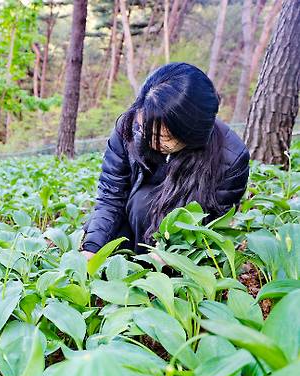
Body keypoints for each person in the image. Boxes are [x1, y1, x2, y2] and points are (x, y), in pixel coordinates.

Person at [81, 62, 250, 258]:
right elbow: (111, 196)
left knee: (147, 206)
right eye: (145, 128)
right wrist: (92, 248)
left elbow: (213, 224)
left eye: (165, 138)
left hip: (181, 244)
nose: (151, 142)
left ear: (191, 133)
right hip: (131, 229)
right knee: (138, 205)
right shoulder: (129, 127)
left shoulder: (231, 158)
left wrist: (172, 252)